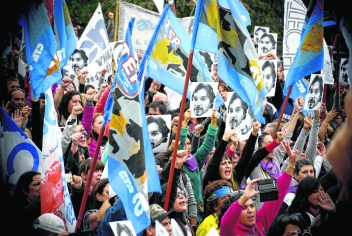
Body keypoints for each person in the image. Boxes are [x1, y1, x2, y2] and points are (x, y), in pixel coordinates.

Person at [219, 140, 297, 235]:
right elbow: (226, 223)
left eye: (252, 206)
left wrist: (292, 164)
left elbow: (277, 195)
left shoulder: (260, 222)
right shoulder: (230, 232)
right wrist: (244, 198)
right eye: (244, 208)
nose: (250, 211)